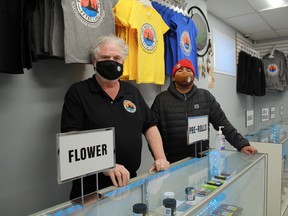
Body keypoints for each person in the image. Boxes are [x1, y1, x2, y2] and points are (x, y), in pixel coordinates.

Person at [61, 35, 170, 200]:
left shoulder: (132, 92)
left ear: (123, 62)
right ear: (94, 62)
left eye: (116, 58)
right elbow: (71, 139)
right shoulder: (78, 92)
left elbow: (150, 125)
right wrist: (104, 164)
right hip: (90, 189)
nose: (111, 61)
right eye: (105, 57)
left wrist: (160, 157)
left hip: (129, 183)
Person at [151, 58, 257, 163]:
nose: (184, 73)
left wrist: (242, 144)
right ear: (174, 76)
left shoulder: (205, 97)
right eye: (180, 70)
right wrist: (160, 158)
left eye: (188, 70)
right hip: (172, 163)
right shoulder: (161, 99)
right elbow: (151, 131)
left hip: (202, 160)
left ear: (194, 76)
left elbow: (223, 123)